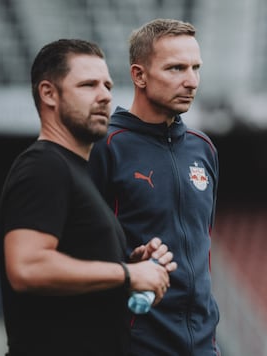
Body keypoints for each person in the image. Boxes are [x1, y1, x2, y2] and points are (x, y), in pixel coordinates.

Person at [0, 39, 178, 356]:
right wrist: (127, 274)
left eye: (107, 85)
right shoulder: (43, 166)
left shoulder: (75, 171)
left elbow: (73, 290)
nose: (105, 95)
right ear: (49, 94)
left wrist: (130, 271)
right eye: (88, 85)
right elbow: (27, 267)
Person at [88, 19, 220, 355]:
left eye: (195, 68)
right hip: (136, 343)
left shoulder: (202, 148)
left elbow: (202, 243)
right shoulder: (104, 146)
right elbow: (82, 248)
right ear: (139, 75)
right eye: (176, 68)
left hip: (204, 344)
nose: (191, 81)